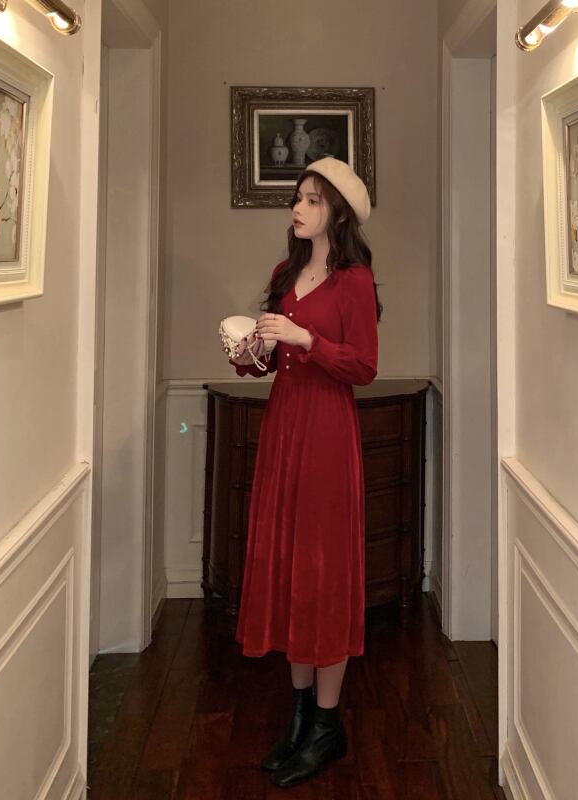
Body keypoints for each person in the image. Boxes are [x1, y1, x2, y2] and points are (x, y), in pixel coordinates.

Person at [227, 156, 381, 788]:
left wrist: (306, 340)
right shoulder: (284, 274)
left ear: (337, 215)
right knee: (289, 564)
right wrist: (252, 351)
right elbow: (267, 365)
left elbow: (364, 367)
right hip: (285, 426)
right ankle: (298, 719)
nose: (298, 208)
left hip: (325, 433)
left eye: (313, 200)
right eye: (298, 197)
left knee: (324, 570)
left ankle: (325, 725)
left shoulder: (355, 282)